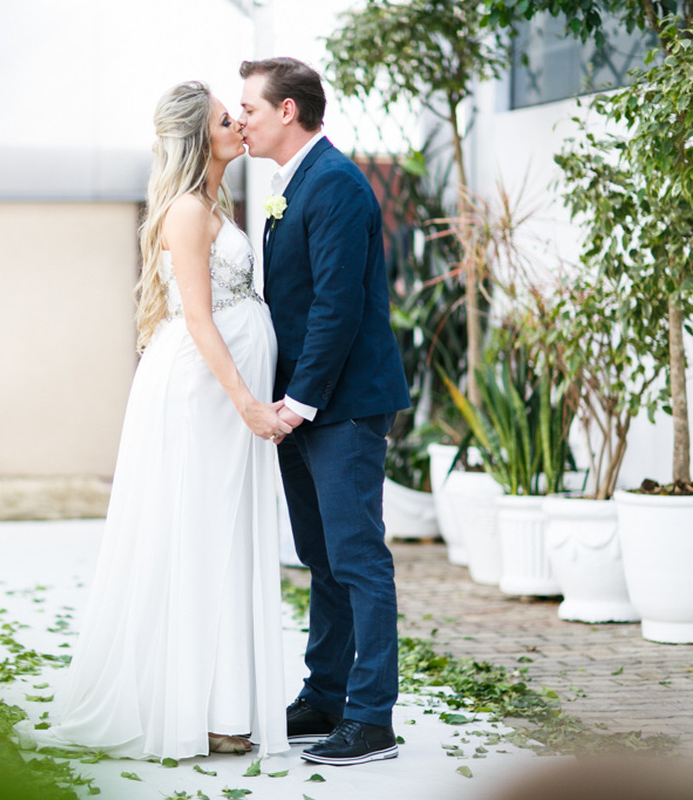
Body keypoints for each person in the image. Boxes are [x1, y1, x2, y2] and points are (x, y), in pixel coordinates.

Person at [42, 81, 292, 762]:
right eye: (224, 119)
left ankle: (220, 704)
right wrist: (245, 400)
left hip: (221, 395)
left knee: (224, 536)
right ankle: (190, 708)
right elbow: (200, 319)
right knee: (196, 535)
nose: (239, 122)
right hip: (202, 397)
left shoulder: (216, 202)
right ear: (198, 138)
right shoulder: (186, 211)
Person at [237, 57, 411, 766]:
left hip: (342, 407)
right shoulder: (294, 182)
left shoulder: (336, 184)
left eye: (249, 106)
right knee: (320, 558)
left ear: (287, 111)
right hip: (303, 408)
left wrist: (299, 403)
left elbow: (337, 308)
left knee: (358, 558)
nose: (240, 118)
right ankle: (326, 694)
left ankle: (372, 718)